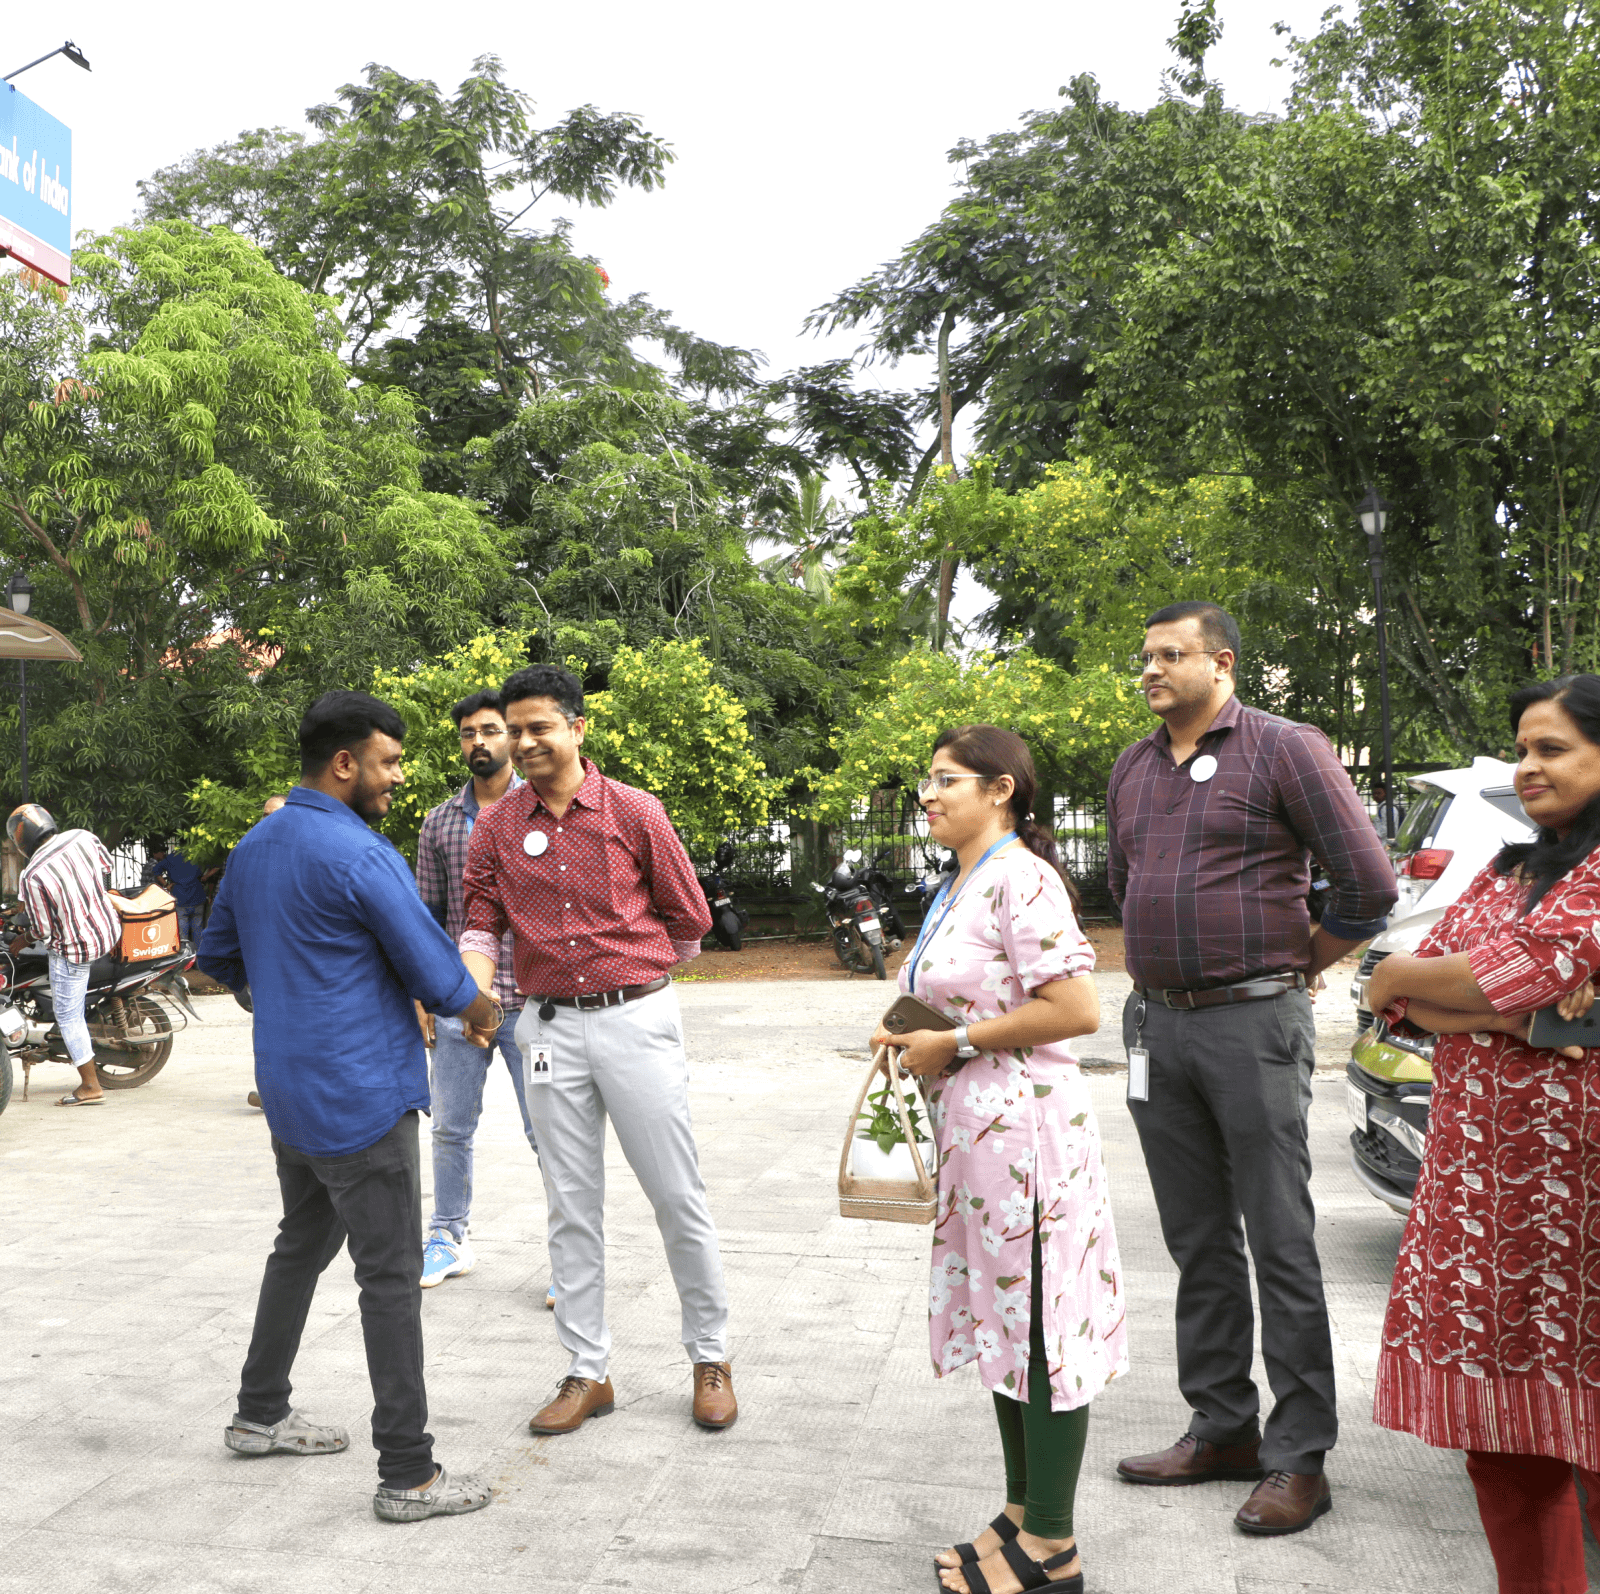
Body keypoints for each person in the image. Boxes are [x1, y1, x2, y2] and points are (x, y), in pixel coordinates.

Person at [1106, 601, 1396, 1534]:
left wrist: (1295, 965)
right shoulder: (1133, 767)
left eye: (1170, 655)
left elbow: (1370, 886)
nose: (1151, 670)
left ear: (1221, 663)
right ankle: (1222, 1425)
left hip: (1253, 1024)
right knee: (1196, 1239)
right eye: (1145, 657)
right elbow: (1123, 880)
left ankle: (1299, 1452)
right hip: (1158, 1027)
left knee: (1278, 1235)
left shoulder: (1285, 747)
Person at [198, 690, 503, 1524]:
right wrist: (482, 1014)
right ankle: (409, 1473)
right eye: (390, 761)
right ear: (346, 764)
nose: (398, 777)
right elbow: (437, 974)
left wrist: (290, 1000)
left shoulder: (256, 844)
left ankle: (259, 1413)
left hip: (292, 1099)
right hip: (361, 1099)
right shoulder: (362, 855)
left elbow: (217, 955)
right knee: (392, 1278)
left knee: (300, 1244)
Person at [872, 725, 1124, 1594]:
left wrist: (959, 1039)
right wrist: (912, 1031)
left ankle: (1053, 1541)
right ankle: (1021, 1512)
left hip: (1028, 1138)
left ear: (1001, 789)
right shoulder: (962, 881)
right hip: (979, 1138)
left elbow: (1078, 1006)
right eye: (926, 781)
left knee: (1045, 1323)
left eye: (946, 781)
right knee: (1006, 1319)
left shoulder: (1024, 879)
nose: (929, 796)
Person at [1366, 674, 1600, 1594]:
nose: (1526, 766)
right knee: (1509, 1446)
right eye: (1523, 747)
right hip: (1486, 1205)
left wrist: (1470, 990)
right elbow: (1409, 992)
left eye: (1552, 749)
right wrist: (1520, 1014)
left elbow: (1538, 963)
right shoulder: (1512, 867)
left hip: (1583, 1200)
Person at [458, 664, 735, 1434]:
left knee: (676, 1193)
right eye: (514, 730)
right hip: (545, 1028)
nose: (525, 741)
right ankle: (587, 1372)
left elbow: (690, 919)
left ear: (578, 728)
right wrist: (471, 994)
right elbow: (481, 923)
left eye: (539, 726)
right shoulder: (497, 828)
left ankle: (710, 1357)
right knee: (569, 1206)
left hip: (635, 1020)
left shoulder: (634, 811)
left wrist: (632, 984)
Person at [414, 690, 546, 1297]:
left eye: (490, 730)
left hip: (537, 1004)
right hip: (458, 1002)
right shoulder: (440, 822)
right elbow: (428, 918)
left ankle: (566, 1257)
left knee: (547, 1130)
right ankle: (447, 1236)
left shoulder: (544, 808)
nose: (479, 743)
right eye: (468, 733)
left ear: (512, 737)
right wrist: (426, 996)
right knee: (449, 1127)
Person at [10, 805, 119, 1108]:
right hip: (108, 930)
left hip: (78, 949)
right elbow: (107, 872)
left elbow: (42, 929)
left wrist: (23, 938)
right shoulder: (83, 836)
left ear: (22, 841)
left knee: (68, 1015)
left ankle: (90, 1085)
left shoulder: (32, 874)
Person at [141, 837, 207, 945]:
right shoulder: (197, 856)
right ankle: (198, 955)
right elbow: (213, 867)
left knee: (182, 930)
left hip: (180, 897)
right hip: (197, 896)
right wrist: (204, 877)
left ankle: (185, 955)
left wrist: (166, 885)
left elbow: (156, 871)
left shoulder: (171, 858)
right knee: (198, 929)